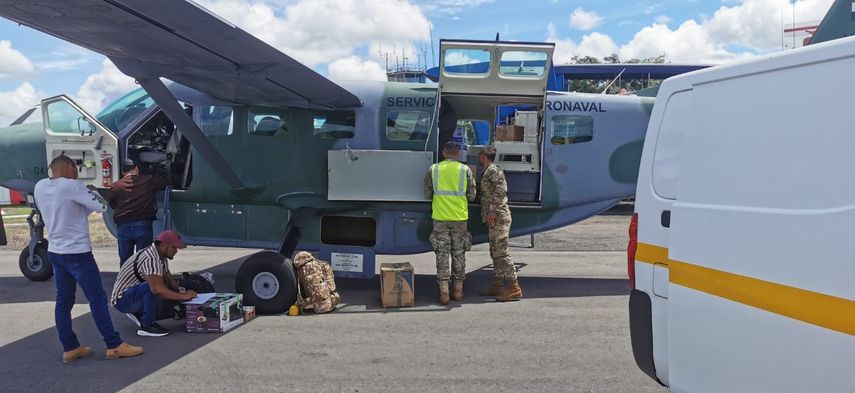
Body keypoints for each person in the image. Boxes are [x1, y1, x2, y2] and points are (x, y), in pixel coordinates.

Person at [34, 155, 144, 363]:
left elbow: (71, 210)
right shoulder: (72, 186)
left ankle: (70, 347)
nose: (77, 173)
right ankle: (113, 344)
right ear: (67, 167)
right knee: (97, 299)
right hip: (78, 254)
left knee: (64, 300)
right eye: (75, 168)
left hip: (56, 252)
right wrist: (92, 191)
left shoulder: (40, 186)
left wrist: (85, 196)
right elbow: (101, 206)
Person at [111, 230, 196, 337]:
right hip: (122, 300)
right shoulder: (150, 258)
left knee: (163, 286)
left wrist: (181, 290)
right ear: (164, 245)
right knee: (153, 288)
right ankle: (147, 325)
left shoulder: (160, 255)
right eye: (174, 248)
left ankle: (141, 313)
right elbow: (156, 289)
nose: (176, 251)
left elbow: (169, 278)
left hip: (133, 292)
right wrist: (183, 296)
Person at [424, 141, 476, 304]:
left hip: (440, 217)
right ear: (458, 154)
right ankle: (458, 290)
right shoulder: (465, 170)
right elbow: (472, 195)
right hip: (460, 218)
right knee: (459, 253)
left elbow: (427, 193)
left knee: (442, 253)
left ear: (444, 153)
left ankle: (444, 292)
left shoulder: (434, 169)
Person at [477, 146, 523, 301]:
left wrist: (492, 210)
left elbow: (501, 190)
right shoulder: (487, 171)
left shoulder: (493, 170)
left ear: (484, 156)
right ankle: (497, 284)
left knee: (501, 252)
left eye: (479, 155)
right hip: (494, 218)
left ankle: (514, 288)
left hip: (499, 217)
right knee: (495, 251)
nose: (478, 157)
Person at [108, 159, 169, 266]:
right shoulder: (149, 180)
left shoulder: (116, 186)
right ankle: (142, 282)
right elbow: (166, 182)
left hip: (123, 226)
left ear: (123, 172)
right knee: (144, 261)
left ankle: (126, 281)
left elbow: (112, 205)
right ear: (136, 168)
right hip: (143, 225)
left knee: (125, 261)